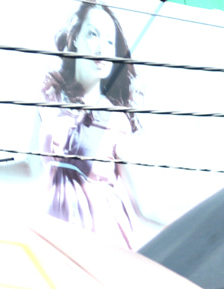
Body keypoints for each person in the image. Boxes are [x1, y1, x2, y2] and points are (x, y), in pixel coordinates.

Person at [39, 4, 143, 248]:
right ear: (75, 37)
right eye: (93, 34)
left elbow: (138, 197)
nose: (101, 49)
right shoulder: (50, 95)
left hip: (100, 237)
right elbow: (29, 167)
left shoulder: (114, 119)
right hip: (53, 231)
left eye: (109, 41)